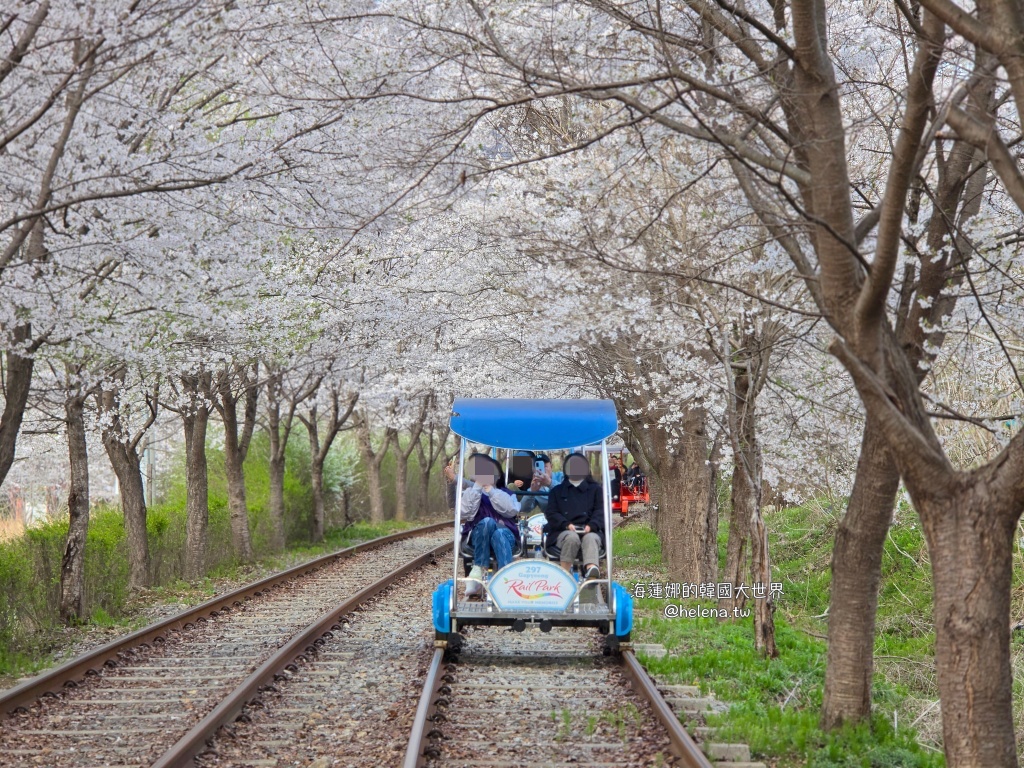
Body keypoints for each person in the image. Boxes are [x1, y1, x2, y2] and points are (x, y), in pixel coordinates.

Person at [460, 454, 521, 598]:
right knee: (487, 521)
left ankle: (504, 578)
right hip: (479, 534)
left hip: (505, 534)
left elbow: (510, 511)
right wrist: (477, 489)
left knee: (498, 533)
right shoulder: (470, 492)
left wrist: (491, 492)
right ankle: (481, 568)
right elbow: (465, 514)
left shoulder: (506, 494)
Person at [544, 452, 604, 579]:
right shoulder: (557, 491)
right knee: (572, 538)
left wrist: (592, 525)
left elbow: (600, 511)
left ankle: (591, 571)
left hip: (589, 529)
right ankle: (564, 573)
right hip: (563, 531)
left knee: (591, 538)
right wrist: (566, 524)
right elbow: (551, 513)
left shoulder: (596, 490)